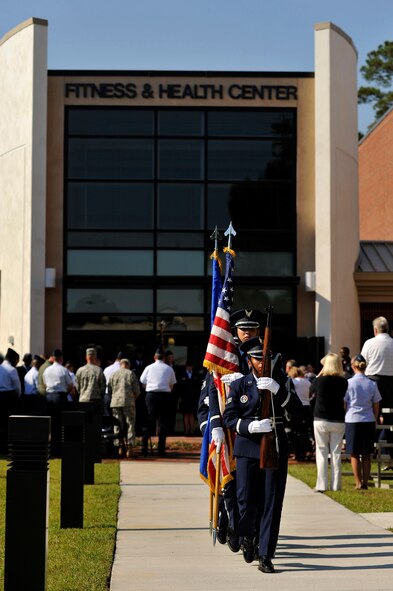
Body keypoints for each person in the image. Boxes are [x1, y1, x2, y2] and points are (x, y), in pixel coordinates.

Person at [223, 336, 302, 574]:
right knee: (246, 500)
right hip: (248, 447)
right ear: (249, 361)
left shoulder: (282, 381)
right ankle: (247, 535)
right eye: (257, 358)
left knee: (271, 502)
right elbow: (229, 417)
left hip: (274, 447)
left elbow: (298, 412)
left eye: (265, 357)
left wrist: (278, 391)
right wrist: (249, 427)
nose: (261, 362)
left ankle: (265, 553)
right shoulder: (240, 385)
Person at [199, 308, 263, 553]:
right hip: (227, 432)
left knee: (251, 490)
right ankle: (232, 526)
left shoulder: (261, 356)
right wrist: (213, 425)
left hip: (252, 433)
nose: (248, 332)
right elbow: (209, 396)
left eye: (252, 328)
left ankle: (248, 534)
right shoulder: (224, 355)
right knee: (230, 487)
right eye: (243, 328)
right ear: (234, 331)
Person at [310, 352, 348, 492]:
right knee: (336, 453)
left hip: (321, 419)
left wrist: (321, 371)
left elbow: (312, 388)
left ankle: (322, 485)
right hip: (338, 419)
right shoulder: (343, 381)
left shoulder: (320, 380)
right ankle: (336, 485)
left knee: (321, 452)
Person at [344, 354, 381, 490]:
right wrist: (375, 418)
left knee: (354, 453)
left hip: (352, 419)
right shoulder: (372, 383)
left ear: (353, 366)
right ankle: (365, 482)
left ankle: (358, 482)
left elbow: (345, 402)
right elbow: (376, 403)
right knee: (366, 453)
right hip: (368, 419)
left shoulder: (349, 383)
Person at [361, 316, 393, 469]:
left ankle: (369, 451)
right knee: (389, 419)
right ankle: (385, 454)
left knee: (370, 417)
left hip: (373, 381)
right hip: (391, 384)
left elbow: (362, 363)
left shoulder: (369, 343)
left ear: (375, 330)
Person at [139, 346, 177, 457]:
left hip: (151, 395)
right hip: (164, 396)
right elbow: (172, 385)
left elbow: (142, 382)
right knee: (163, 423)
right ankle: (161, 450)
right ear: (164, 358)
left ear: (154, 357)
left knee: (149, 421)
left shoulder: (149, 368)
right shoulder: (169, 368)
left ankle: (144, 448)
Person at [43, 349, 74, 456]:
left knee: (51, 424)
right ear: (61, 358)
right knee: (60, 423)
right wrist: (65, 393)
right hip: (60, 397)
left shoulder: (47, 370)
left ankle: (50, 448)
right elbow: (70, 385)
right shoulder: (63, 370)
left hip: (49, 397)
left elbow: (45, 384)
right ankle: (58, 449)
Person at [108, 358, 140, 458]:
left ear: (121, 365)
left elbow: (109, 390)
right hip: (128, 403)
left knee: (117, 425)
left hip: (116, 403)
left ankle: (119, 447)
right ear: (128, 365)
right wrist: (132, 399)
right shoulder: (131, 374)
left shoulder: (113, 374)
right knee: (130, 425)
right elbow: (137, 391)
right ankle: (129, 448)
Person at [288, 366, 313, 461]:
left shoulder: (293, 382)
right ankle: (305, 451)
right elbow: (310, 394)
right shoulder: (307, 382)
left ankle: (298, 453)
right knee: (305, 431)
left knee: (295, 431)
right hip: (307, 407)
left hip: (297, 407)